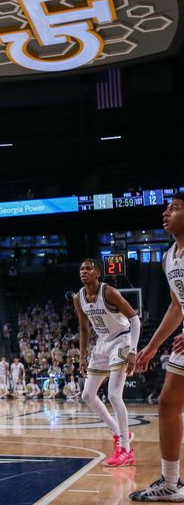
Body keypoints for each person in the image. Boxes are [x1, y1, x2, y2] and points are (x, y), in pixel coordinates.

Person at [131, 193, 184, 501]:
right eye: (166, 209)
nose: (166, 213)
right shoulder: (169, 256)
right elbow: (178, 305)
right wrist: (151, 346)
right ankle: (171, 482)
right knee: (167, 404)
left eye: (175, 208)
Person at [74, 258, 140, 468]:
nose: (84, 271)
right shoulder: (78, 298)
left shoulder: (109, 292)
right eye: (81, 268)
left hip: (121, 339)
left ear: (97, 274)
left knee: (113, 394)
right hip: (102, 343)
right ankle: (121, 433)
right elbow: (84, 329)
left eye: (88, 268)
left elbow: (135, 319)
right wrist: (82, 355)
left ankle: (125, 450)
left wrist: (133, 350)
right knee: (87, 395)